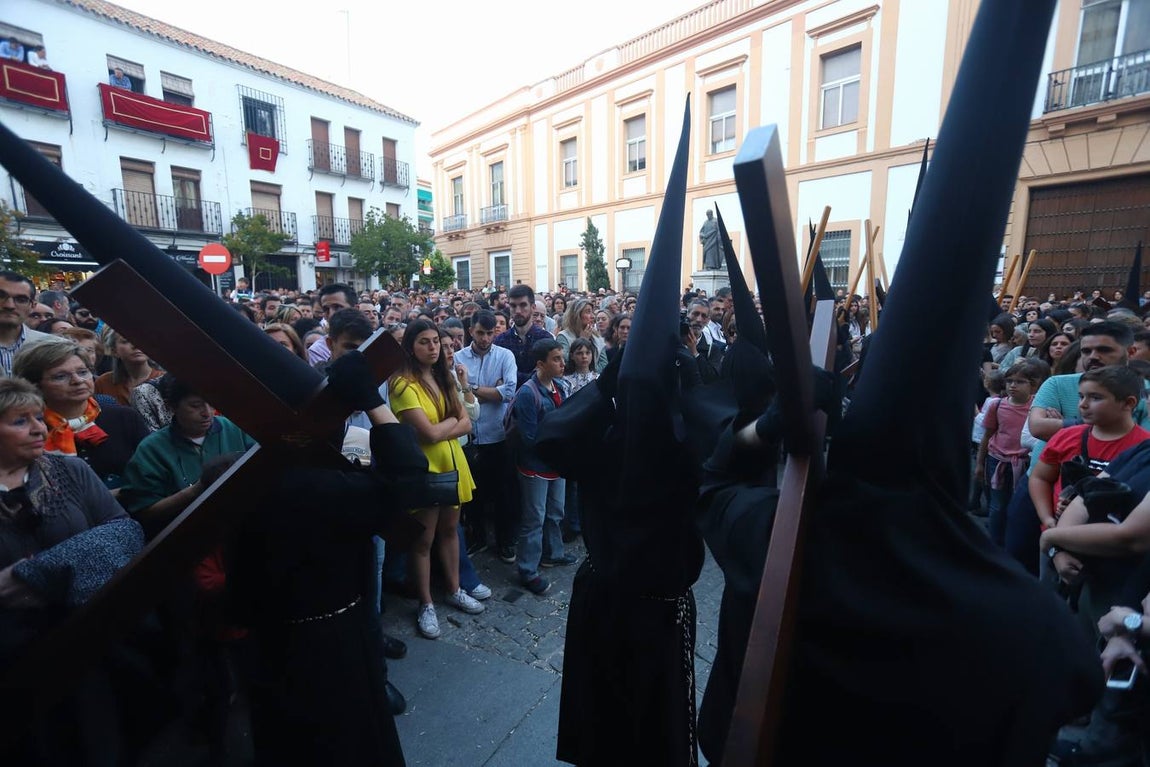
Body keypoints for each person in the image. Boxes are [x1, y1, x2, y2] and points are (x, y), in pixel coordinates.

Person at [0, 377, 149, 765]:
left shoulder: (69, 471)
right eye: (19, 421)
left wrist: (48, 570)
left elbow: (125, 531)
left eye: (38, 416)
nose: (38, 428)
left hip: (83, 635)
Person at [388, 319, 482, 639]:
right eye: (424, 342)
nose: (432, 347)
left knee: (450, 531)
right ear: (410, 347)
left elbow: (467, 421)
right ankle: (425, 602)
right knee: (423, 540)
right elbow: (425, 434)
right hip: (426, 469)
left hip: (453, 463)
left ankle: (454, 589)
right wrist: (447, 428)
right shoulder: (402, 384)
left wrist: (441, 430)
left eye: (435, 342)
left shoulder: (443, 376)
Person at [13, 337, 149, 491]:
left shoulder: (124, 417)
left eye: (83, 372)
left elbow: (150, 476)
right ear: (34, 385)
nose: (78, 381)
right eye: (60, 376)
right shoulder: (29, 430)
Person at [508, 339, 574, 595]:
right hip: (536, 465)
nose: (562, 363)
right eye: (556, 359)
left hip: (556, 464)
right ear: (540, 364)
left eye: (561, 358)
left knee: (555, 511)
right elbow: (528, 437)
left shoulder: (560, 386)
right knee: (534, 518)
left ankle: (553, 553)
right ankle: (527, 570)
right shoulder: (528, 393)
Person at [455, 310, 520, 563]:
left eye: (489, 333)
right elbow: (457, 395)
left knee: (503, 492)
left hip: (497, 434)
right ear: (471, 330)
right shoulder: (458, 357)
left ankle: (505, 542)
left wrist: (469, 388)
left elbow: (509, 391)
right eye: (480, 333)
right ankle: (478, 537)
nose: (484, 338)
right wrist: (491, 389)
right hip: (470, 436)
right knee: (474, 495)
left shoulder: (505, 356)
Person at [976, 357, 1048, 546]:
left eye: (1019, 381)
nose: (1013, 386)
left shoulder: (1038, 407)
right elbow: (988, 435)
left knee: (1018, 504)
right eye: (1009, 381)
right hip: (997, 459)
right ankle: (994, 542)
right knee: (998, 505)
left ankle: (1012, 540)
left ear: (1032, 385)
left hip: (1025, 461)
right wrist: (979, 463)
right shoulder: (997, 405)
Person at [495, 284, 554, 388]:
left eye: (523, 305)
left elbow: (544, 376)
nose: (518, 311)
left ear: (533, 307)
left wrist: (509, 377)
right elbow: (496, 375)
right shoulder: (500, 341)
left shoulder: (546, 339)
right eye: (513, 306)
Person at [0, 270, 52, 377]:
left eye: (21, 299)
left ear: (32, 306)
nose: (9, 305)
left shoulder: (51, 345)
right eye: (1, 296)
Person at [94, 328, 163, 406]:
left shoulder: (164, 381)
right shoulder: (103, 383)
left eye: (142, 339)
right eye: (126, 341)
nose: (136, 345)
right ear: (114, 351)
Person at [555, 298, 607, 374]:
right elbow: (564, 364)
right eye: (588, 312)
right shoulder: (564, 336)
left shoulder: (597, 337)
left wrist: (591, 375)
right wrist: (582, 341)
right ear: (577, 315)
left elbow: (604, 364)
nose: (592, 316)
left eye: (592, 312)